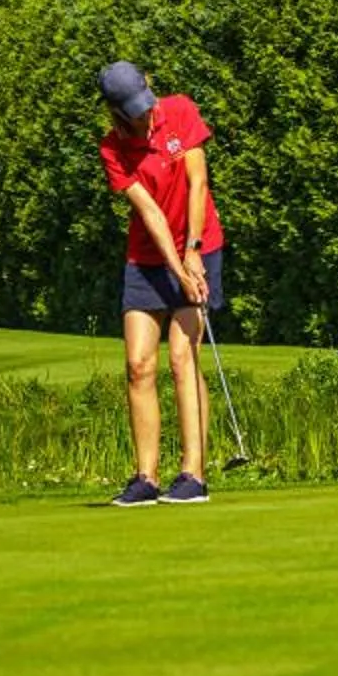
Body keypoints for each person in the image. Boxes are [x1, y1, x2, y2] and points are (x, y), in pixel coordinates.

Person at [95, 61, 225, 506]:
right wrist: (174, 266)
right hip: (148, 259)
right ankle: (146, 478)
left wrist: (191, 252)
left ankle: (193, 475)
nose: (145, 114)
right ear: (116, 111)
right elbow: (149, 213)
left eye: (145, 102)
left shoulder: (181, 111)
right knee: (138, 364)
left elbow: (197, 183)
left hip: (200, 247)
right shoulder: (113, 149)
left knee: (181, 357)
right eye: (133, 110)